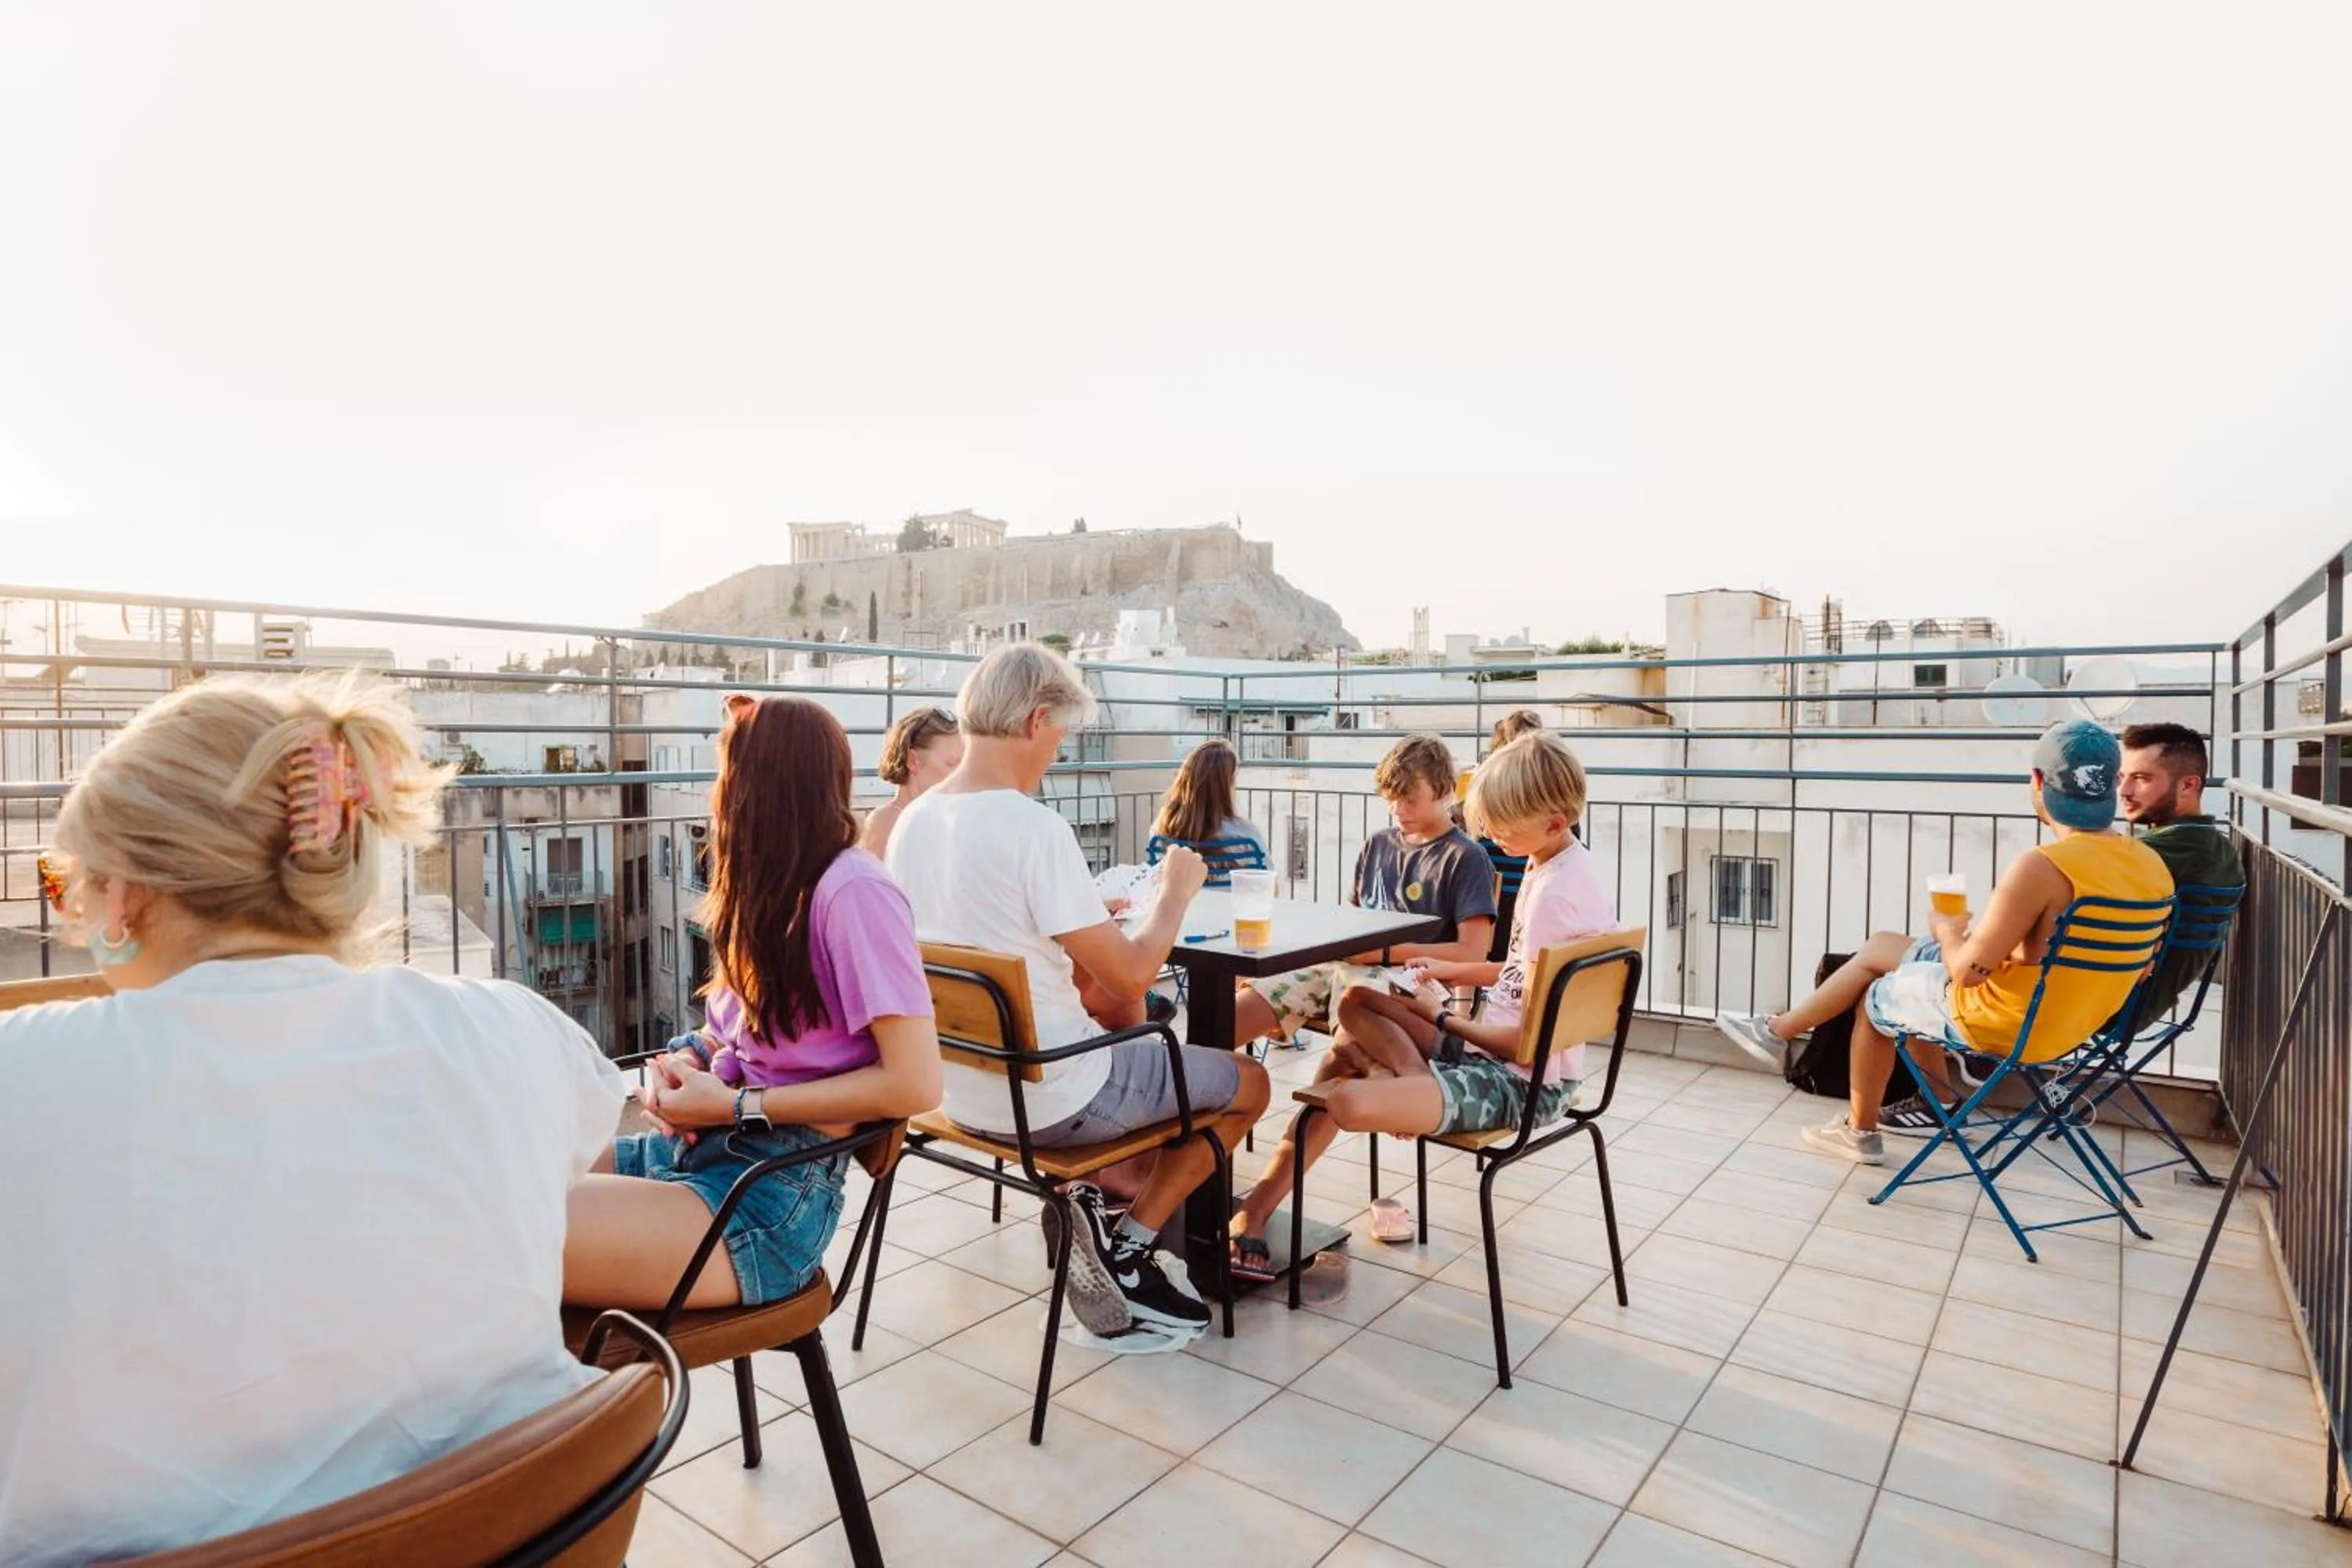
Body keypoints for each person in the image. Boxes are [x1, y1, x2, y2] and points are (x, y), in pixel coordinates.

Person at [0, 674, 630, 1564]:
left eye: (70, 881)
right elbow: (580, 1179)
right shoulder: (513, 1028)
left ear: (128, 891)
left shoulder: (21, 1074)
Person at [886, 643, 1270, 1340]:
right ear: (1036, 720)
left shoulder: (912, 823)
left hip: (962, 1090)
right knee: (1248, 1084)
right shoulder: (1034, 828)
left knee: (1134, 1033)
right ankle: (1130, 1247)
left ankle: (1100, 1200)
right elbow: (1129, 976)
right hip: (1056, 1098)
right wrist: (1176, 895)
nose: (1058, 755)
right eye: (1061, 736)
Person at [564, 695, 943, 1312]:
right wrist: (688, 1066)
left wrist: (738, 1106)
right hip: (702, 1154)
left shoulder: (854, 892)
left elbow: (917, 1083)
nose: (719, 791)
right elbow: (738, 1037)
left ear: (756, 787)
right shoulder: (768, 890)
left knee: (513, 1224)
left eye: (727, 772)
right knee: (502, 1173)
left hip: (770, 1198)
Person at [1229, 732, 1616, 1276]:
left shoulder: (1551, 892)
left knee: (1344, 1091)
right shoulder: (1560, 865)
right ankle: (1404, 1083)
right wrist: (1448, 972)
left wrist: (1439, 1012)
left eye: (1502, 824)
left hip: (1520, 1079)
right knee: (1358, 1003)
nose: (1492, 835)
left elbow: (1522, 1040)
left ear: (1553, 821)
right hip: (1511, 1056)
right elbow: (1519, 974)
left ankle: (1266, 1197)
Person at [1715, 720, 2173, 1163]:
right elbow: (2139, 964)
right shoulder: (2152, 867)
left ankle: (1860, 1132)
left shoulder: (2043, 867)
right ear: (2112, 783)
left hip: (2009, 1023)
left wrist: (1949, 931)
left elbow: (1967, 974)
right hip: (2074, 1026)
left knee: (1878, 999)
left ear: (2037, 781)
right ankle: (1782, 1033)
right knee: (1884, 949)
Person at [1231, 732, 1497, 1047]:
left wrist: (1382, 953)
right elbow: (1354, 919)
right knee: (1243, 1006)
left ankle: (1330, 1095)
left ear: (1444, 793)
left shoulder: (1466, 857)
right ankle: (1190, 1084)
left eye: (1410, 799)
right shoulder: (1378, 843)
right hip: (1346, 967)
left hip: (1413, 981)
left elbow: (1472, 953)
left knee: (1353, 1018)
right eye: (1391, 798)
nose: (1398, 809)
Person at [2113, 722, 2241, 1033]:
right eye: (2122, 778)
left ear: (2188, 786)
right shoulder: (2217, 848)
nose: (2124, 791)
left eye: (2141, 779)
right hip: (2138, 1007)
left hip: (2110, 1008)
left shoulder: (2153, 853)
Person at [1472, 710, 1546, 956]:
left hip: (1492, 895)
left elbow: (1472, 836)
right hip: (1529, 894)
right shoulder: (1551, 795)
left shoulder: (1484, 788)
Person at [1147, 737, 1268, 883]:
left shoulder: (1161, 828)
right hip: (1229, 905)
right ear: (1226, 786)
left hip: (1183, 905)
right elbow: (1269, 886)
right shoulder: (1245, 833)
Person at [858, 706, 962, 859]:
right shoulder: (884, 824)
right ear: (913, 760)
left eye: (963, 765)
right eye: (951, 764)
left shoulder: (951, 820)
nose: (960, 774)